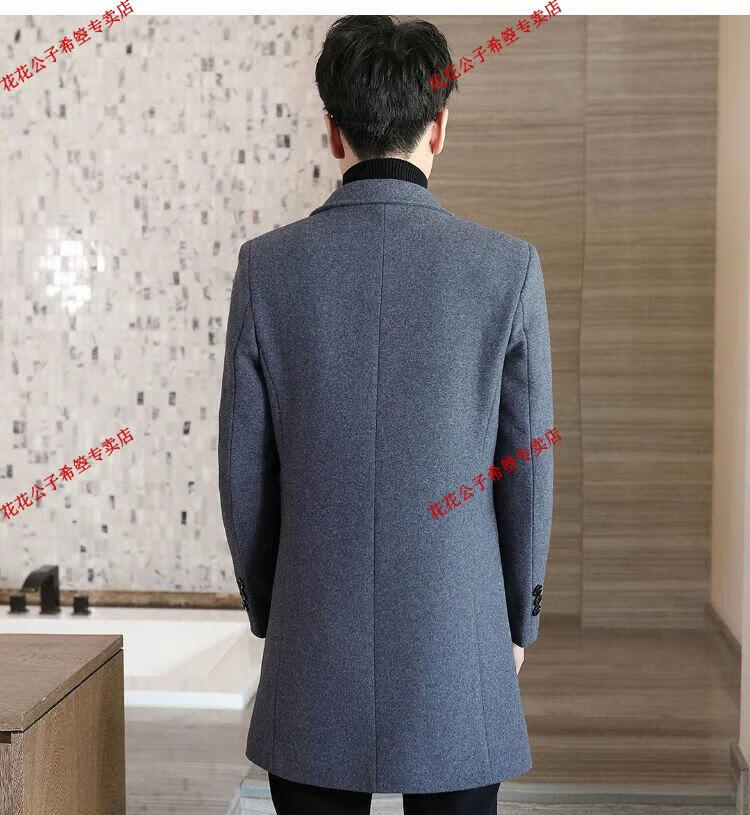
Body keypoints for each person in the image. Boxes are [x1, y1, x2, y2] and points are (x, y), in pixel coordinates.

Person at [218, 14, 554, 815]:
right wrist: (516, 621)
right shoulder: (506, 269)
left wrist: (273, 609)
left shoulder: (267, 269)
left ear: (333, 131)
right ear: (440, 127)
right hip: (459, 640)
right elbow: (527, 469)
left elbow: (243, 473)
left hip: (313, 637)